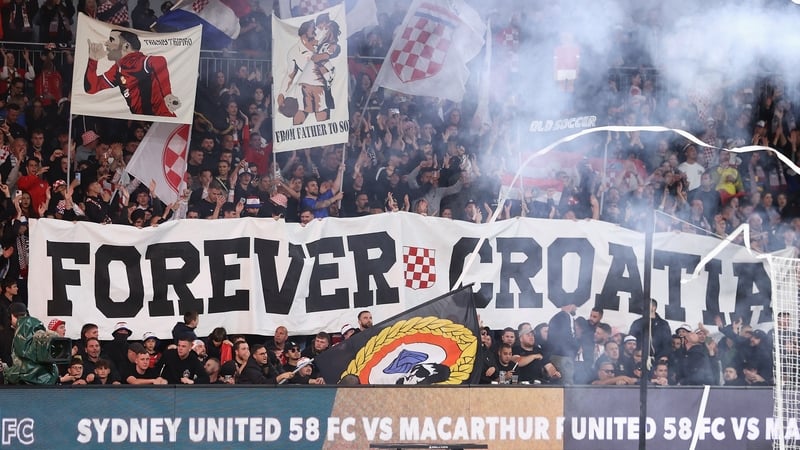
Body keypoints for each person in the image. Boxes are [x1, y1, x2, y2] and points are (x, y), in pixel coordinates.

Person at [84, 29, 181, 117]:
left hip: (162, 120)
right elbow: (91, 88)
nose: (106, 43)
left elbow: (159, 61)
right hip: (142, 122)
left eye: (111, 39)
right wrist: (93, 60)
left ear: (126, 46)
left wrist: (167, 94)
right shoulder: (117, 69)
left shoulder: (141, 61)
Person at [2, 302, 59, 385]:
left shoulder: (39, 334)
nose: (19, 320)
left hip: (32, 385)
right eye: (17, 316)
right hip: (22, 386)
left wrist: (6, 371)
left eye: (22, 316)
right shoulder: (4, 336)